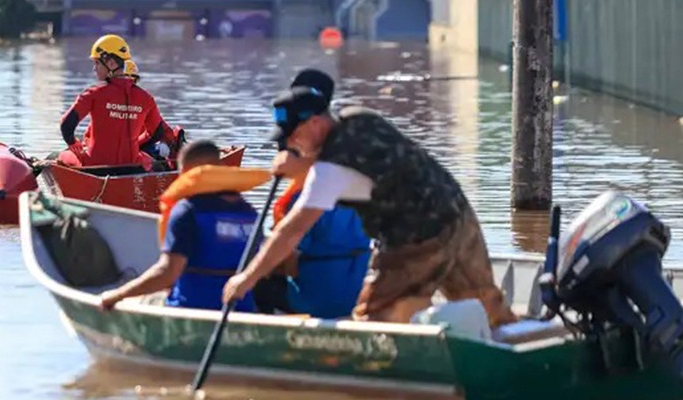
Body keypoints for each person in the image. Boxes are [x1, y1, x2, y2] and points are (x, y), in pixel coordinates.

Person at [222, 69, 518, 328]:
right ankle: (516, 345)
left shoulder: (328, 172)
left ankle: (390, 374)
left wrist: (246, 279)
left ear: (314, 124)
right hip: (456, 213)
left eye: (292, 135)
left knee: (371, 318)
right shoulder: (360, 117)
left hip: (417, 237)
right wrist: (302, 166)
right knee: (485, 303)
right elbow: (364, 164)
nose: (289, 144)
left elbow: (291, 231)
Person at [249, 69, 375, 319]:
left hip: (319, 299)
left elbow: (290, 259)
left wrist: (253, 270)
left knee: (256, 279)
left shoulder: (303, 199)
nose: (291, 146)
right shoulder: (358, 184)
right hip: (361, 290)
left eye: (293, 139)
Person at [98, 140, 269, 312]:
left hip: (189, 307)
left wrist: (116, 295)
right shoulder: (251, 214)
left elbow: (167, 274)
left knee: (135, 301)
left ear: (186, 173)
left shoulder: (187, 211)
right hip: (241, 309)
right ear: (220, 167)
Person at [58, 34, 175, 170]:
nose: (94, 69)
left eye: (97, 63)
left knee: (61, 156)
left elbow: (66, 125)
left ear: (111, 63)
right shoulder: (146, 98)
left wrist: (73, 144)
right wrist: (136, 143)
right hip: (132, 166)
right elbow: (157, 133)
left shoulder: (93, 93)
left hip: (94, 166)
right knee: (150, 160)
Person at [120, 59, 188, 168]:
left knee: (160, 151)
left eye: (133, 82)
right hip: (126, 152)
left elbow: (160, 128)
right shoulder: (108, 101)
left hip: (143, 149)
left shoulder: (143, 101)